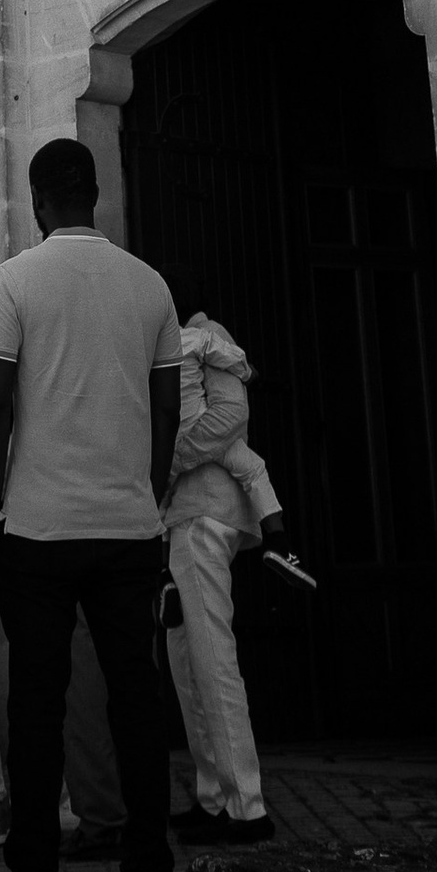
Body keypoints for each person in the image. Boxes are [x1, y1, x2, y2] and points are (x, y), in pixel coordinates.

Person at [0, 139, 180, 872]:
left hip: (41, 524)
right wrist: (148, 490)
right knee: (137, 697)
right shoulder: (149, 284)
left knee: (38, 700)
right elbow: (167, 408)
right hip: (127, 524)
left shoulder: (15, 279)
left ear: (35, 200)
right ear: (97, 195)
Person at [164, 308, 290, 843]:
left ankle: (247, 806)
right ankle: (215, 795)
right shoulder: (175, 341)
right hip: (181, 514)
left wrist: (168, 464)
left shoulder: (209, 338)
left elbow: (230, 421)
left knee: (212, 658)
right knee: (187, 660)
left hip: (205, 513)